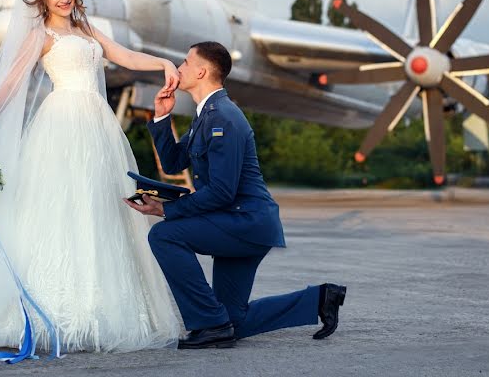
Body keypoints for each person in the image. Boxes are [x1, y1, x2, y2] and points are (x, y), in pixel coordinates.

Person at [0, 0, 182, 354]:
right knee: (61, 211)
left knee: (102, 211)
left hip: (98, 127)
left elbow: (123, 55)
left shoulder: (87, 29)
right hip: (61, 125)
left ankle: (104, 310)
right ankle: (56, 313)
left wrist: (162, 63)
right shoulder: (40, 35)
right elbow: (6, 87)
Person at [124, 41, 346, 349]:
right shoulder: (207, 116)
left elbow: (222, 193)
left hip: (245, 223)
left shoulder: (223, 118)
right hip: (241, 222)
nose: (180, 67)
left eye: (186, 62)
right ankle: (320, 299)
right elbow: (175, 162)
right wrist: (162, 118)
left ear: (201, 71)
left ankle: (207, 324)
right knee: (233, 322)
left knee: (165, 236)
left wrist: (166, 210)